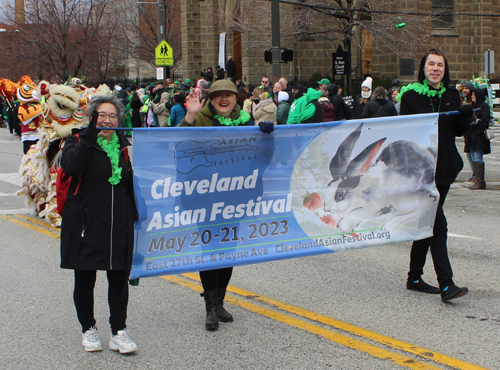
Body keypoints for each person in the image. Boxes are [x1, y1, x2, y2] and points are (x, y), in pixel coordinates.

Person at [178, 79, 274, 331]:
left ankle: (220, 301)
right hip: (205, 197)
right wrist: (190, 115)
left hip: (234, 197)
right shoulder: (200, 118)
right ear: (211, 99)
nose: (223, 99)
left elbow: (262, 159)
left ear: (235, 98)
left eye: (228, 95)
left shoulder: (245, 122)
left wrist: (266, 136)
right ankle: (209, 307)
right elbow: (178, 144)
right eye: (218, 95)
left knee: (228, 250)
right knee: (211, 249)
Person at [60, 94, 138, 353]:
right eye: (101, 115)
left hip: (118, 223)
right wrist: (89, 137)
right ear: (92, 117)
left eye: (112, 116)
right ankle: (88, 329)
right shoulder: (77, 141)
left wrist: (134, 217)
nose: (107, 120)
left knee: (118, 278)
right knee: (85, 278)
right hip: (86, 223)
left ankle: (118, 330)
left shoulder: (123, 146)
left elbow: (128, 185)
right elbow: (71, 167)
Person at [399, 49, 471, 302]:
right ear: (423, 68)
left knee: (425, 224)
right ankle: (446, 284)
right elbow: (403, 133)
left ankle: (414, 277)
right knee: (437, 224)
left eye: (440, 64)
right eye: (431, 64)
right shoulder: (410, 96)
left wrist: (466, 116)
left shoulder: (452, 95)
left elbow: (458, 131)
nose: (436, 68)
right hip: (420, 172)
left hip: (445, 168)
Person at [466, 88, 491, 190]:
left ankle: (480, 181)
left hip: (478, 137)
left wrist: (478, 131)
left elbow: (485, 121)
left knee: (477, 157)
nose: (472, 96)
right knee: (471, 156)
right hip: (471, 136)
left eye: (474, 95)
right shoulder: (472, 106)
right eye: (471, 95)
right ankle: (476, 178)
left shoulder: (483, 106)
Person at [462, 81, 476, 185]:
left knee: (475, 154)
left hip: (474, 132)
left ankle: (476, 175)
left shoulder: (474, 101)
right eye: (463, 88)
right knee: (469, 154)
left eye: (466, 88)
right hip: (467, 132)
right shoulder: (463, 99)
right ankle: (474, 173)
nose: (464, 90)